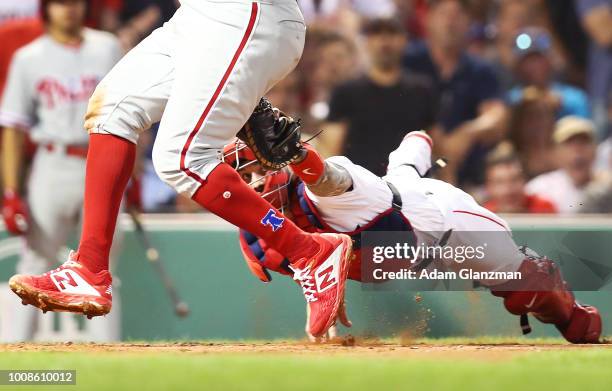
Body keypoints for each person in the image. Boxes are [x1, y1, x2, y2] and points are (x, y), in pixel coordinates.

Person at [7, 0, 352, 339]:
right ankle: (90, 270)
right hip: (196, 17)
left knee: (181, 159)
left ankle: (309, 252)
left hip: (244, 14)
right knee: (112, 109)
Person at [225, 127, 601, 344]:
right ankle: (414, 145)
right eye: (242, 178)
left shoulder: (319, 186)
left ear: (279, 161)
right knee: (402, 169)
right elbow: (312, 273)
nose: (252, 184)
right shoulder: (259, 237)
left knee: (528, 289)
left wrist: (298, 152)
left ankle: (577, 318)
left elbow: (325, 177)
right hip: (397, 215)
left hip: (444, 223)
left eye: (255, 170)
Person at [0, 0, 122, 341]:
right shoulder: (29, 57)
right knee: (34, 264)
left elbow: (128, 109)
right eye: (59, 3)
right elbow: (12, 125)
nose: (68, 9)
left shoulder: (107, 47)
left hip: (103, 159)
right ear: (46, 9)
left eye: (75, 2)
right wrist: (11, 192)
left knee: (102, 270)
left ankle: (109, 357)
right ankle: (15, 353)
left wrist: (134, 172)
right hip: (52, 163)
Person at [403, 0, 508, 187]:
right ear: (428, 20)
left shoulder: (479, 69)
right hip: (410, 166)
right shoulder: (408, 61)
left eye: (457, 16)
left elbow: (497, 116)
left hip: (464, 171)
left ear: (469, 22)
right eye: (444, 15)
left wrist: (470, 131)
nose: (450, 23)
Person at [319, 17, 438, 176]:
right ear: (367, 42)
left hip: (411, 190)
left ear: (405, 40)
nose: (385, 40)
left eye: (392, 33)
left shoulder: (422, 90)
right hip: (361, 189)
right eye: (377, 33)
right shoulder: (346, 91)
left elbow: (435, 145)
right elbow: (330, 151)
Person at [507, 28, 591, 120]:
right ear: (518, 66)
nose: (534, 66)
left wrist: (561, 106)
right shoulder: (512, 100)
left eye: (538, 59)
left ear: (550, 61)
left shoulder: (575, 98)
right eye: (528, 60)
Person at [526, 116, 600, 213]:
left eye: (584, 142)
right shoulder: (539, 189)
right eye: (569, 144)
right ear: (556, 152)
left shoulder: (607, 187)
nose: (577, 150)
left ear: (595, 149)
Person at [483, 143, 556, 214]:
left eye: (514, 180)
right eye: (500, 182)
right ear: (488, 187)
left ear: (525, 181)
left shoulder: (544, 209)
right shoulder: (483, 215)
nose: (508, 190)